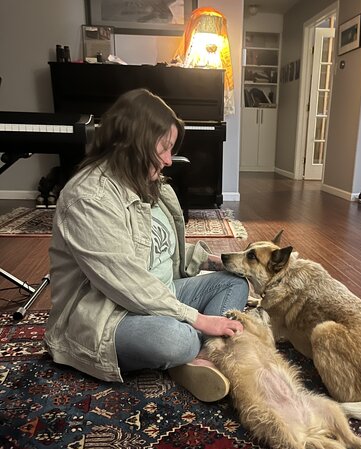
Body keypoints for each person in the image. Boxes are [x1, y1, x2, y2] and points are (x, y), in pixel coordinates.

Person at [45, 88, 249, 402]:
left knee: (235, 282)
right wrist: (198, 318)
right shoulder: (89, 197)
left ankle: (198, 356)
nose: (169, 160)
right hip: (109, 314)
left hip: (162, 294)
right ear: (133, 142)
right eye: (164, 148)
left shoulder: (152, 185)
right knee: (175, 339)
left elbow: (164, 249)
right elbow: (126, 282)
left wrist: (218, 261)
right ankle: (193, 350)